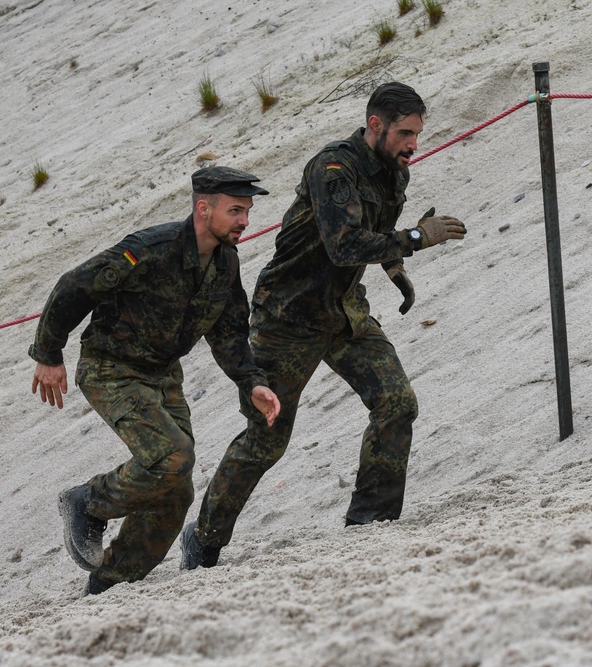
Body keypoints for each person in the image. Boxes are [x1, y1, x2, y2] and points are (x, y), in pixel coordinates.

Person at [180, 82, 466, 570]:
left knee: (396, 402)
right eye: (405, 133)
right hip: (289, 315)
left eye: (418, 134)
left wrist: (396, 265)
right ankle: (203, 539)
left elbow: (375, 238)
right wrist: (417, 238)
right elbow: (344, 245)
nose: (413, 144)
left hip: (344, 309)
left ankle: (370, 525)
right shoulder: (333, 168)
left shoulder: (394, 173)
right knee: (267, 437)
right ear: (375, 126)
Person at [29, 166, 281, 595]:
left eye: (247, 211)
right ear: (204, 209)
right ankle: (86, 502)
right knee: (172, 457)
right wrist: (49, 354)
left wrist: (251, 381)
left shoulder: (225, 262)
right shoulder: (150, 248)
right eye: (236, 210)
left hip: (163, 374)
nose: (245, 220)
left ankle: (107, 586)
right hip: (112, 367)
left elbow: (229, 331)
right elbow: (75, 285)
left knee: (175, 492)